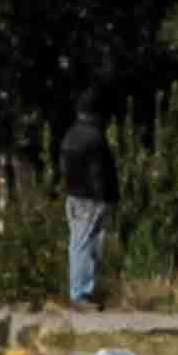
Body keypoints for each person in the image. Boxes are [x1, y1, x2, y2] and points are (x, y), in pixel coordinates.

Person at [54, 105, 119, 305]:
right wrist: (106, 197)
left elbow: (63, 167)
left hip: (73, 196)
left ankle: (81, 291)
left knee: (79, 244)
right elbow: (98, 172)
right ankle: (81, 294)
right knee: (85, 246)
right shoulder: (95, 138)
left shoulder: (71, 135)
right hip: (91, 199)